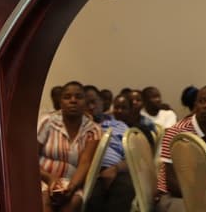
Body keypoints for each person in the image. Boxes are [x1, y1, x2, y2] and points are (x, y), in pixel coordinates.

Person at [39, 81, 102, 211]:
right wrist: (50, 179)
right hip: (42, 178)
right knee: (44, 199)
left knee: (74, 202)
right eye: (67, 97)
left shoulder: (93, 130)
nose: (73, 101)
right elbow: (29, 157)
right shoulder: (47, 122)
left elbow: (85, 162)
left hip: (71, 182)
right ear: (60, 102)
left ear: (85, 102)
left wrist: (71, 186)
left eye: (79, 97)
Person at [85, 93, 140, 212]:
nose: (91, 106)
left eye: (94, 102)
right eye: (87, 103)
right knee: (93, 194)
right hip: (88, 171)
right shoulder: (80, 126)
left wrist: (115, 168)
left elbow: (131, 159)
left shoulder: (120, 125)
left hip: (115, 170)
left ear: (102, 103)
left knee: (126, 187)